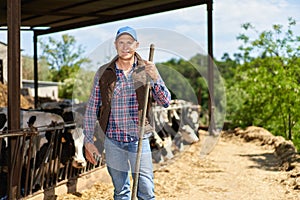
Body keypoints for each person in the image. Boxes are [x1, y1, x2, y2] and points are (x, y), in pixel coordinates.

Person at [83, 26, 171, 200]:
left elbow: (165, 101)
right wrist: (87, 140)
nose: (125, 47)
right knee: (121, 191)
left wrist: (155, 79)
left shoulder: (147, 69)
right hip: (112, 140)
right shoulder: (103, 72)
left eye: (129, 42)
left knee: (146, 190)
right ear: (115, 45)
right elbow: (92, 107)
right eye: (121, 42)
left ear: (136, 45)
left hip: (139, 138)